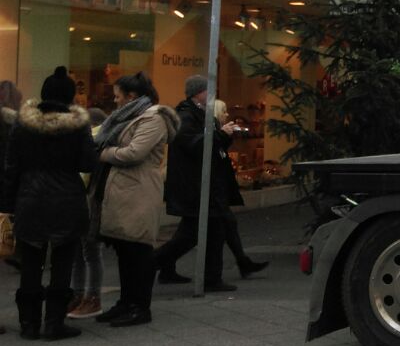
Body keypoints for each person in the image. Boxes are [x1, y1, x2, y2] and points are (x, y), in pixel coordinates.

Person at [1, 67, 95, 339]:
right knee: (63, 264)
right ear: (69, 97)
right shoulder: (78, 126)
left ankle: (29, 324)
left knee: (31, 262)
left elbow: (11, 166)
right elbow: (88, 162)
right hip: (67, 199)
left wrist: (8, 205)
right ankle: (54, 323)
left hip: (29, 198)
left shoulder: (23, 123)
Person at [91, 72, 179, 327]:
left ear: (132, 96)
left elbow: (134, 152)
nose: (115, 100)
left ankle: (140, 306)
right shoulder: (128, 117)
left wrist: (103, 152)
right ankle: (126, 302)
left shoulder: (154, 118)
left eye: (118, 96)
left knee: (138, 251)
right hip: (121, 193)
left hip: (137, 192)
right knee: (124, 250)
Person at [152, 75, 239, 294]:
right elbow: (196, 145)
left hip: (203, 185)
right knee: (194, 235)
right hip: (196, 186)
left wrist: (224, 135)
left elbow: (208, 143)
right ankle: (152, 264)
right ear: (198, 93)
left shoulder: (198, 115)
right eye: (208, 90)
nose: (211, 94)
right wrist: (221, 134)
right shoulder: (187, 116)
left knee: (206, 233)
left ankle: (169, 269)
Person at [211, 99, 268, 280]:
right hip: (213, 190)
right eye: (224, 111)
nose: (227, 115)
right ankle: (159, 262)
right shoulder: (212, 133)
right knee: (189, 237)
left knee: (228, 225)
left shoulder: (216, 133)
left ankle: (243, 261)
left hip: (217, 190)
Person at [65, 106, 110, 319]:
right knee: (87, 252)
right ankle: (86, 296)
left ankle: (87, 297)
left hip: (86, 201)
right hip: (91, 201)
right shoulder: (103, 139)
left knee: (86, 252)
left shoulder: (92, 141)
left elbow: (83, 173)